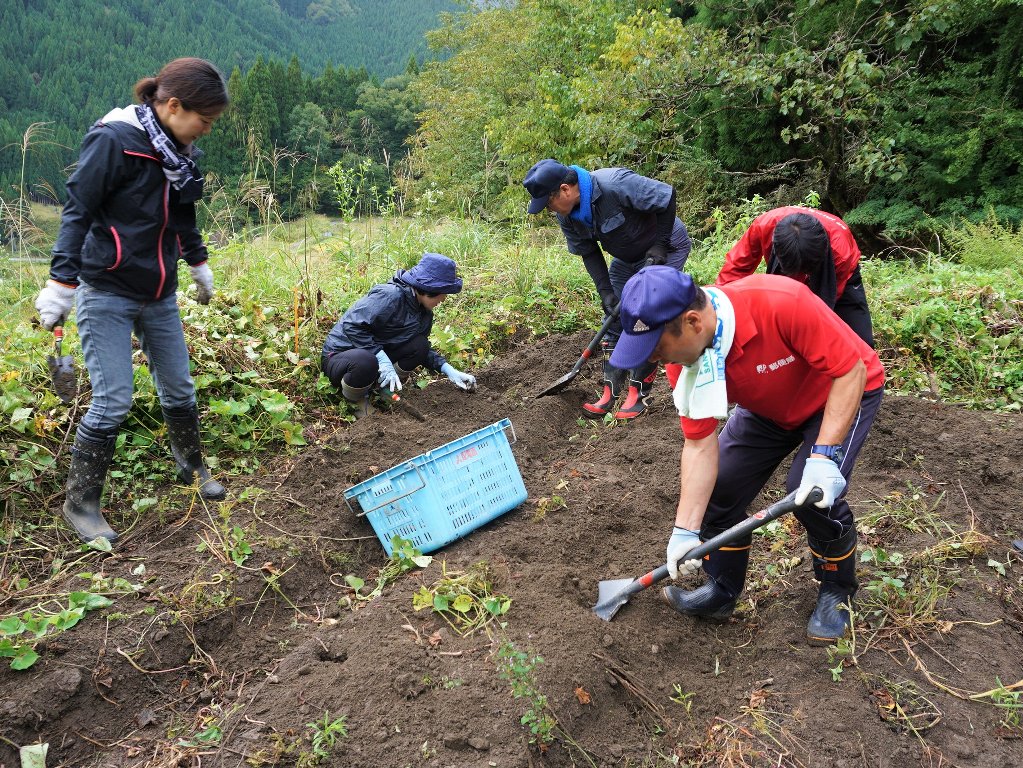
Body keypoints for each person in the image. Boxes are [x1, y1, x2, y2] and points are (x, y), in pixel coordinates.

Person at [610, 266, 885, 643]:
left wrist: (822, 457)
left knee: (810, 496)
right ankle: (722, 590)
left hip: (841, 390)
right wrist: (684, 531)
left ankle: (838, 589)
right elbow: (699, 444)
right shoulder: (683, 363)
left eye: (658, 347)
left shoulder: (781, 303)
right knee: (719, 488)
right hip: (768, 408)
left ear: (692, 322)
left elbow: (849, 370)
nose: (656, 359)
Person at [34, 58, 230, 544]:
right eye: (202, 121)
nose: (204, 132)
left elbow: (182, 217)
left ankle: (191, 467)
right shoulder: (113, 141)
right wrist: (62, 285)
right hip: (106, 290)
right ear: (173, 105)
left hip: (159, 292)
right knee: (113, 400)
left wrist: (198, 265)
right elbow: (77, 211)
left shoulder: (180, 153)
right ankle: (80, 506)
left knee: (180, 389)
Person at [522, 159, 692, 419]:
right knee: (613, 318)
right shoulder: (567, 217)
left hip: (665, 247)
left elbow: (666, 197)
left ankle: (637, 395)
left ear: (565, 190)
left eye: (548, 203)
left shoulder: (615, 183)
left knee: (646, 312)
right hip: (626, 257)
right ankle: (609, 393)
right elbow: (589, 252)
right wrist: (606, 292)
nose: (549, 210)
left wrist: (660, 244)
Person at [321, 253, 477, 417]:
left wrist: (448, 370)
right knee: (366, 361)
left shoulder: (424, 313)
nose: (444, 299)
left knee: (420, 345)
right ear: (431, 289)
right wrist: (381, 358)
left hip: (374, 354)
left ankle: (385, 388)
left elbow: (422, 350)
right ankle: (356, 399)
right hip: (341, 357)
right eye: (444, 292)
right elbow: (352, 326)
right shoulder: (390, 296)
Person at [717, 206, 874, 346]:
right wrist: (720, 308)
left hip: (839, 275)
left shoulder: (840, 251)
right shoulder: (764, 225)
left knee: (859, 340)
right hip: (789, 265)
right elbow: (735, 268)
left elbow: (826, 303)